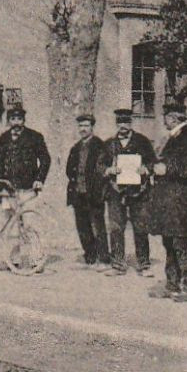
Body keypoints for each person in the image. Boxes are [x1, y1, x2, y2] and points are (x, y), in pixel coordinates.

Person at [147, 101, 187, 302]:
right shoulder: (172, 138)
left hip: (181, 204)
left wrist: (166, 169)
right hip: (169, 203)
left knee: (182, 244)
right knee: (169, 243)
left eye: (166, 117)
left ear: (173, 118)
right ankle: (172, 284)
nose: (164, 120)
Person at [103, 108, 156, 276]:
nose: (123, 126)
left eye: (126, 122)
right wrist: (109, 169)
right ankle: (117, 264)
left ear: (131, 123)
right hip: (115, 191)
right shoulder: (109, 144)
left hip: (138, 191)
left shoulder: (142, 141)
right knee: (116, 228)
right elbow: (99, 165)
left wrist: (145, 169)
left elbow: (153, 162)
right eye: (120, 122)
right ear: (116, 124)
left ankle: (144, 264)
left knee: (140, 227)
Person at [64, 114, 113, 267]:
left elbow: (104, 167)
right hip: (78, 192)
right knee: (82, 226)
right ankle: (90, 256)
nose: (83, 129)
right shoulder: (76, 147)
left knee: (98, 226)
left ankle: (104, 258)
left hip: (94, 192)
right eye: (80, 126)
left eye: (86, 126)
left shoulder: (100, 145)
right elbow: (68, 170)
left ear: (92, 127)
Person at [0, 106, 51, 194]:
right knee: (6, 207)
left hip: (28, 186)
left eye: (19, 119)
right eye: (13, 119)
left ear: (24, 120)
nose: (16, 122)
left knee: (27, 208)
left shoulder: (35, 137)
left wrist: (39, 179)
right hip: (7, 187)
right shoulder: (4, 138)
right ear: (9, 121)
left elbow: (45, 159)